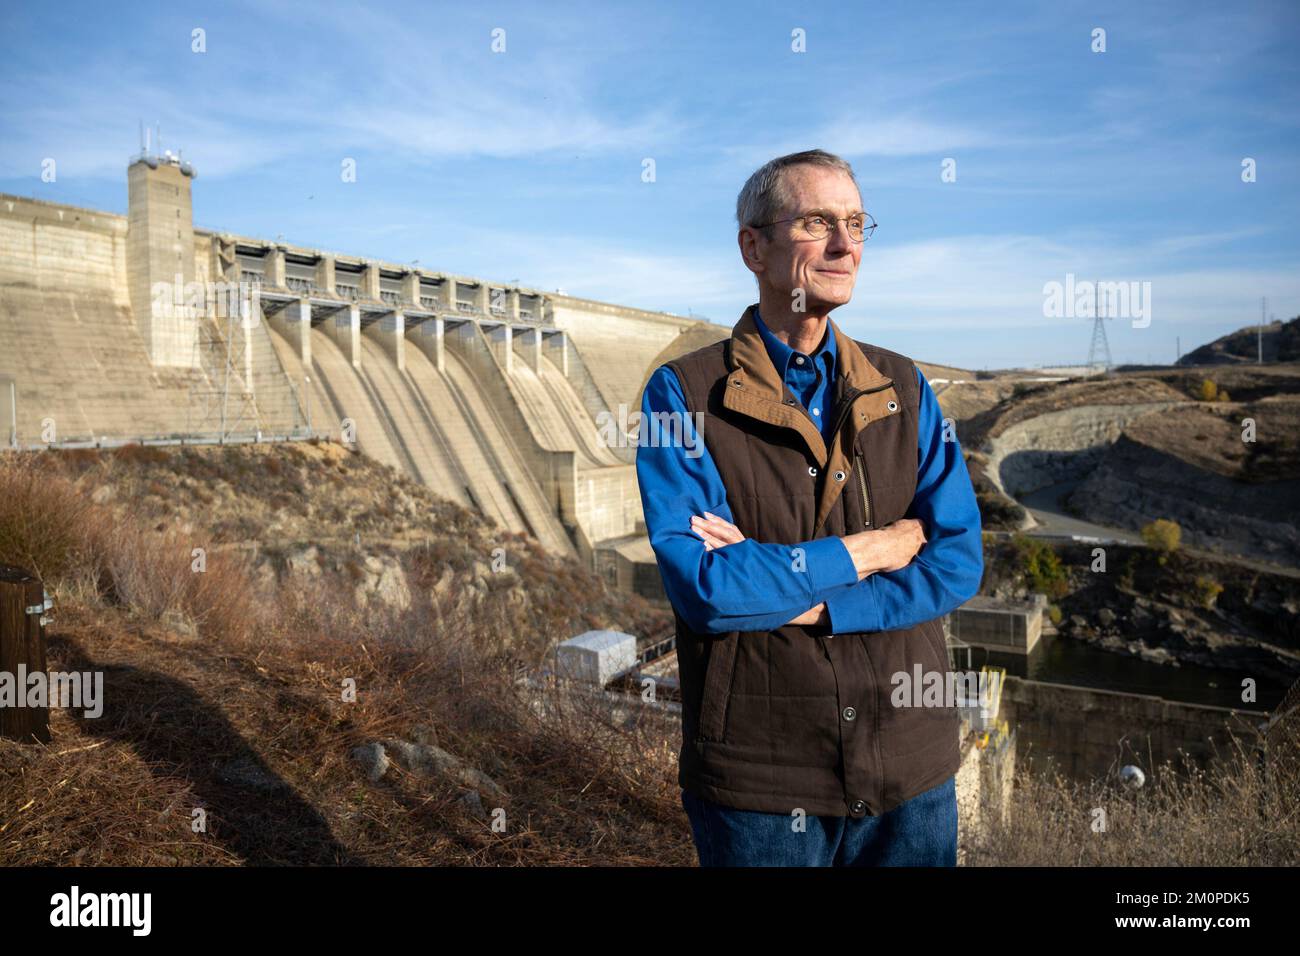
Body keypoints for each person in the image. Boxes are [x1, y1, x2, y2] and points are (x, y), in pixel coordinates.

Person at [635, 148, 984, 866]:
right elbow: (707, 589)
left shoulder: (907, 388)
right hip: (762, 782)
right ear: (753, 247)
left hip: (910, 770)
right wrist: (873, 550)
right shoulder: (682, 395)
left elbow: (957, 561)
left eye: (857, 223)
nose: (845, 245)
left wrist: (814, 602)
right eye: (818, 221)